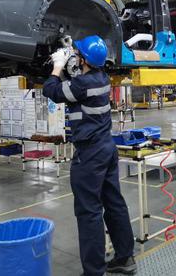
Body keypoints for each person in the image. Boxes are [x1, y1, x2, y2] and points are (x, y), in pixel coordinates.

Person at [43, 35, 136, 276]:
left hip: (90, 155)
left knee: (89, 211)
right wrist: (67, 63)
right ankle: (125, 258)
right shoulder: (101, 78)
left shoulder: (82, 85)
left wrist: (57, 66)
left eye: (77, 53)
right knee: (114, 203)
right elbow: (74, 88)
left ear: (83, 59)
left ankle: (94, 272)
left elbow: (51, 90)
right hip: (107, 149)